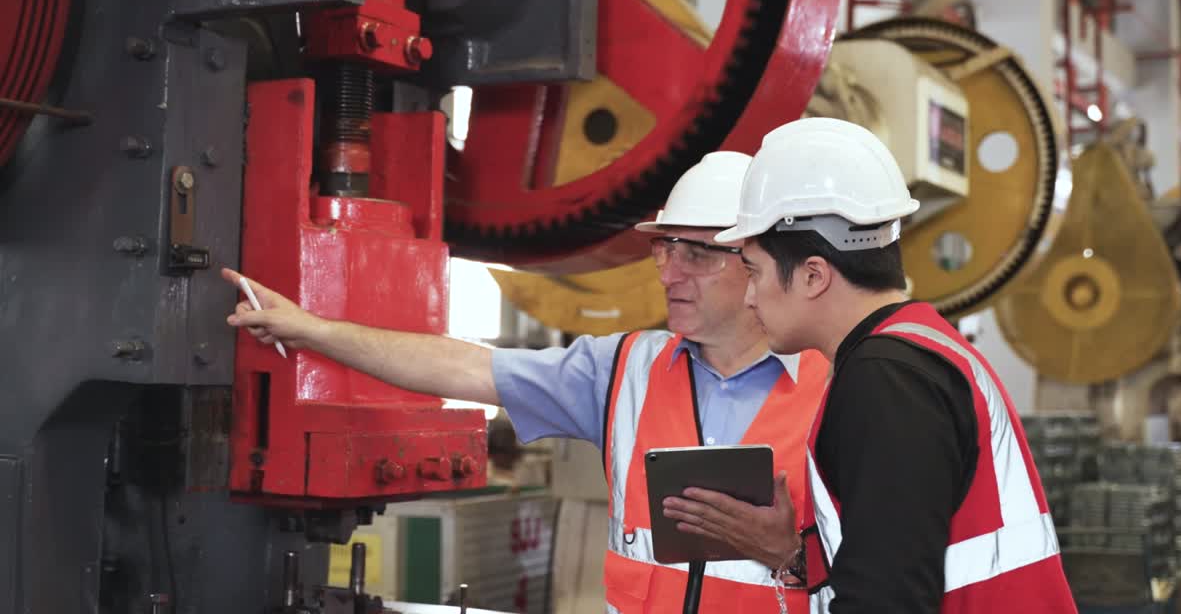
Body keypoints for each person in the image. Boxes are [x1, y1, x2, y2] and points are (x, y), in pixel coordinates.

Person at [223, 151, 830, 613]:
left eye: (694, 254)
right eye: (663, 251)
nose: (669, 273)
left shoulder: (842, 389)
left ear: (755, 262)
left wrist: (792, 556)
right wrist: (313, 331)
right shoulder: (621, 371)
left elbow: (900, 576)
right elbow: (460, 366)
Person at [662, 118, 1078, 613]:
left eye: (753, 271)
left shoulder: (885, 380)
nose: (749, 298)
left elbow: (887, 600)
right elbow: (902, 554)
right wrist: (793, 555)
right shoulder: (915, 352)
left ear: (814, 275)